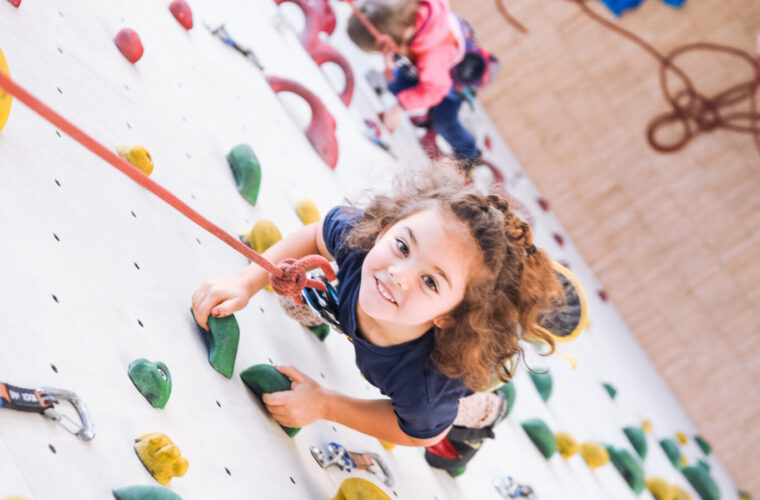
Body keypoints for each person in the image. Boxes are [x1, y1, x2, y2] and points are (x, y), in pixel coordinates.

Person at [191, 163, 561, 468]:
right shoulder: (361, 243)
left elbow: (419, 432)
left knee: (456, 417)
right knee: (309, 298)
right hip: (370, 313)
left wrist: (324, 403)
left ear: (449, 315)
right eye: (402, 246)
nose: (399, 274)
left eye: (430, 281)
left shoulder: (427, 386)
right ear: (385, 228)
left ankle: (491, 411)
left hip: (459, 372)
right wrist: (246, 282)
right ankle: (336, 309)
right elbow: (317, 233)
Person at [347, 0, 488, 165]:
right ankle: (426, 117)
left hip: (454, 85)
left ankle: (470, 156)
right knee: (396, 85)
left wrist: (400, 107)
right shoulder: (408, 11)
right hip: (431, 70)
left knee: (444, 122)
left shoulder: (432, 56)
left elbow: (435, 89)